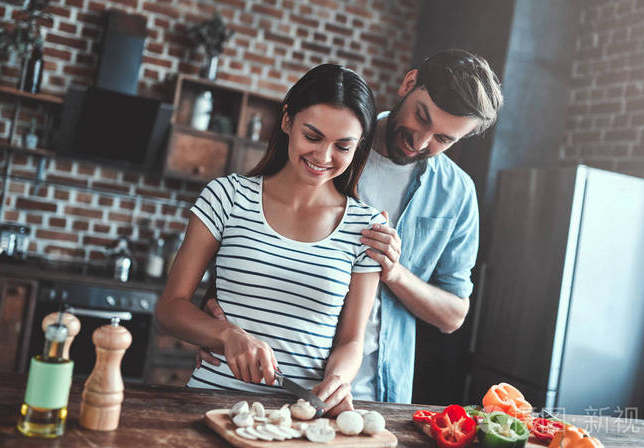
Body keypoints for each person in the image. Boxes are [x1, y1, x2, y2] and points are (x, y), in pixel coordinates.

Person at [199, 49, 504, 404]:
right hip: (269, 378)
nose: (421, 141)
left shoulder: (457, 193)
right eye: (422, 118)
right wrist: (216, 328)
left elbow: (454, 314)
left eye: (444, 139)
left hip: (375, 389)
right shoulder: (330, 147)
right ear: (409, 83)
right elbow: (255, 232)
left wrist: (394, 272)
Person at [156, 63, 386, 416]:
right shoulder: (227, 197)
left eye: (342, 146)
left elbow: (352, 340)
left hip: (300, 418)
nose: (323, 157)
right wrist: (226, 335)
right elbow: (171, 308)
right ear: (287, 121)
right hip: (210, 407)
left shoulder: (365, 227)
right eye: (312, 136)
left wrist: (339, 378)